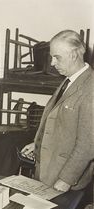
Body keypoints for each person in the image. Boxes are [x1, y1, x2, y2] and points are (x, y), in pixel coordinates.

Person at [21, 30, 94, 192]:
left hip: (65, 178)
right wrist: (38, 144)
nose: (52, 63)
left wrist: (66, 180)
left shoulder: (91, 88)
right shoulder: (70, 81)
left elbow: (88, 144)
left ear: (74, 55)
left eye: (57, 57)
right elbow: (62, 123)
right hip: (50, 168)